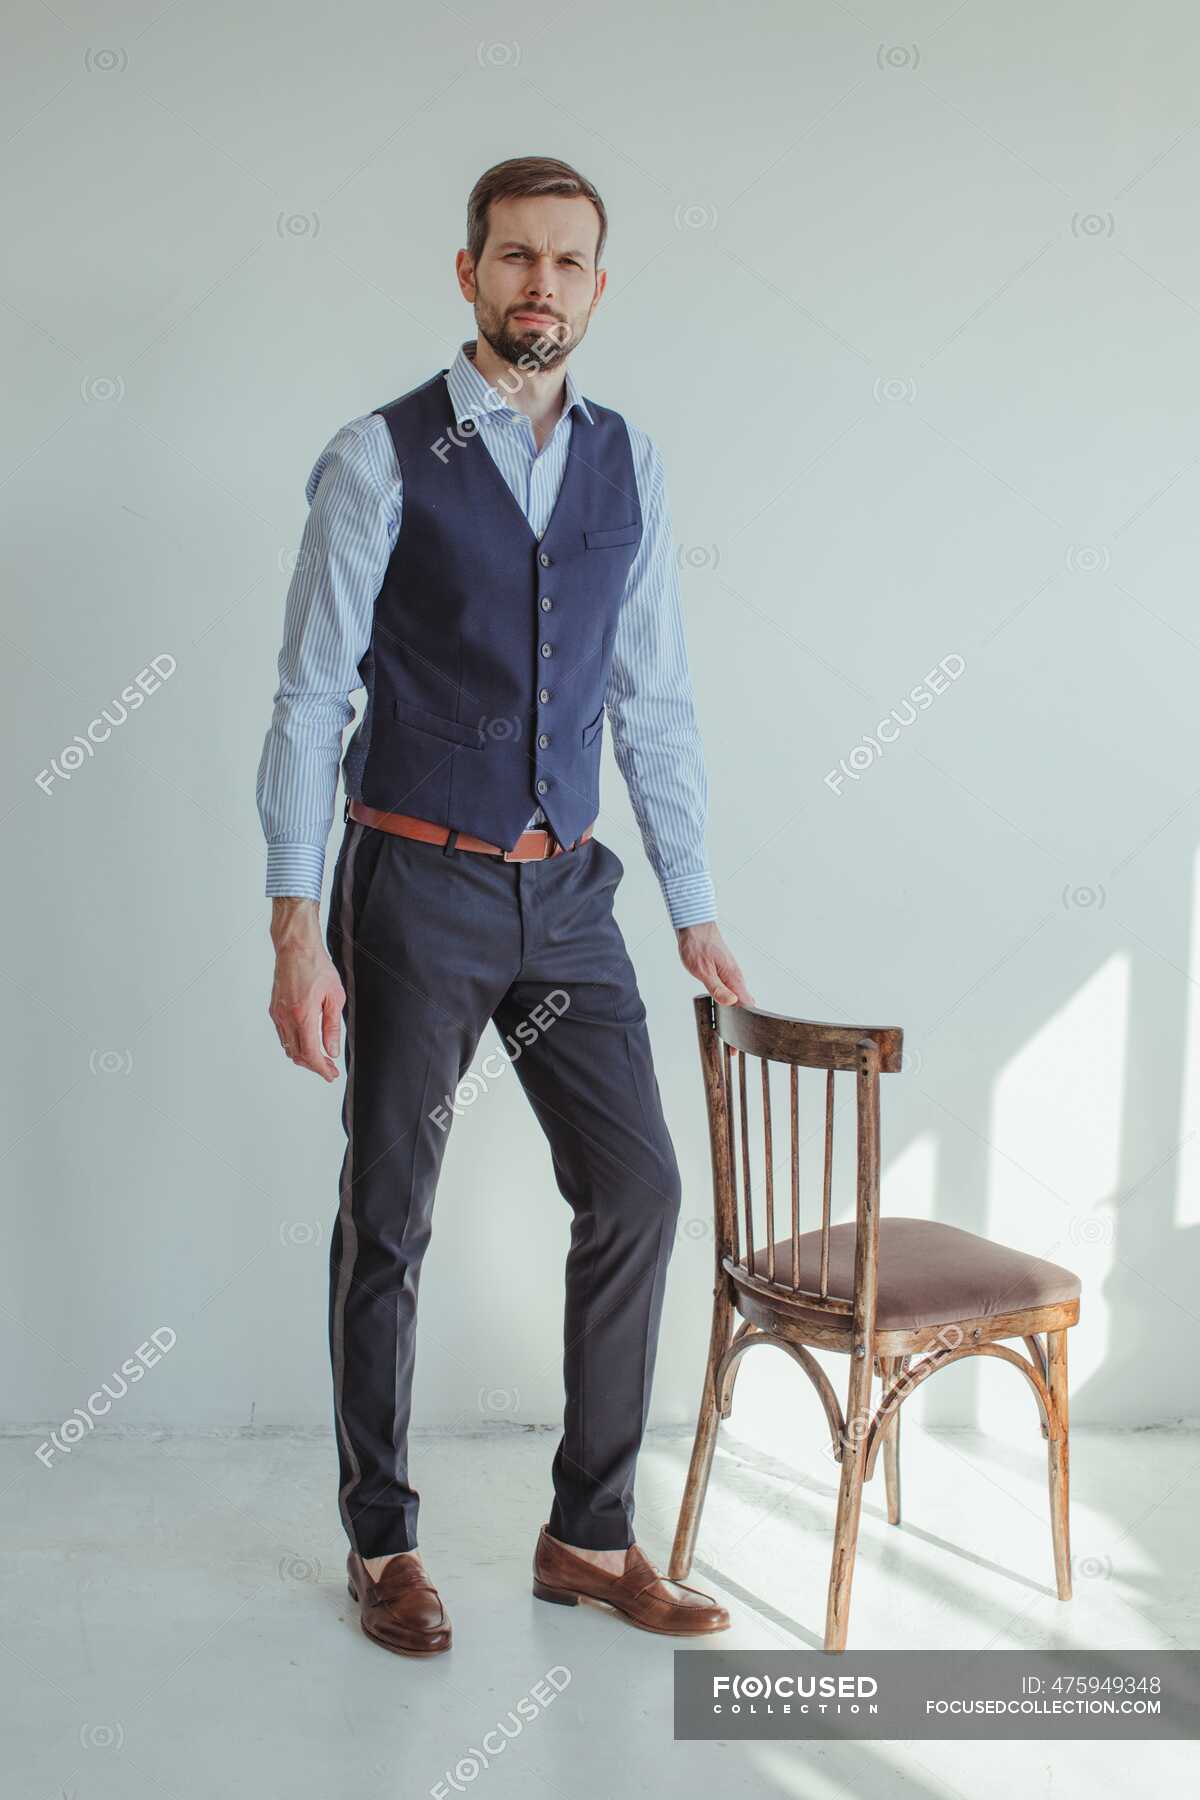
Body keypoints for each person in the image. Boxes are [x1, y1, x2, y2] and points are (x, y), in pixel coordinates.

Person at [256, 154, 753, 1656]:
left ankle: (587, 1537)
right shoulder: (378, 455)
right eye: (515, 257)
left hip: (567, 898)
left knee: (641, 1190)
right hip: (413, 885)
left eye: (569, 261)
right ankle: (381, 1543)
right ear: (467, 272)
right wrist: (295, 922)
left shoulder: (632, 463)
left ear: (599, 286)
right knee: (388, 1219)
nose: (541, 283)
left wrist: (694, 906)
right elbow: (306, 698)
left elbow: (652, 698)